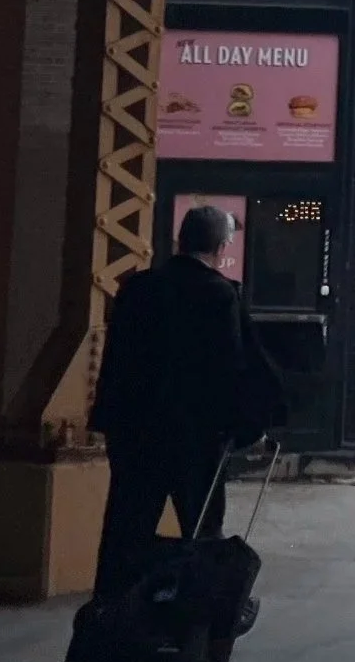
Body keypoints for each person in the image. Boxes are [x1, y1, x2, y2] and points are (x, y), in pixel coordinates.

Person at [88, 204, 267, 601]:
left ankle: (112, 609)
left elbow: (116, 361)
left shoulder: (137, 288)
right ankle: (193, 616)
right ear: (221, 247)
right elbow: (230, 370)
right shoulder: (219, 294)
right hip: (195, 438)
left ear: (178, 241)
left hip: (134, 433)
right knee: (201, 532)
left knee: (126, 527)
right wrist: (248, 428)